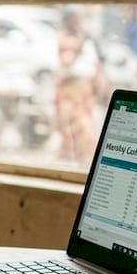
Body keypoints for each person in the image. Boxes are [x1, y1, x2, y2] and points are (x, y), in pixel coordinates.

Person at [53, 9, 103, 164]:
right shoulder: (65, 39)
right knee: (69, 125)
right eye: (74, 20)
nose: (77, 23)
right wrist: (79, 45)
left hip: (84, 88)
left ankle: (85, 159)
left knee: (85, 124)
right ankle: (69, 157)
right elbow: (66, 63)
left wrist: (99, 84)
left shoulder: (87, 39)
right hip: (69, 87)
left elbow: (95, 65)